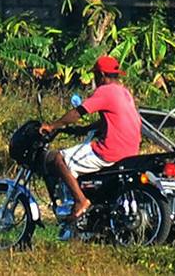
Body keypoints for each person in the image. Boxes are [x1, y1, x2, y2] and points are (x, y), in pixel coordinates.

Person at [49, 52, 143, 227]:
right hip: (131, 150)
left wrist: (53, 125)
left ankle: (80, 201)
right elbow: (109, 120)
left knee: (58, 158)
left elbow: (78, 112)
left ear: (101, 75)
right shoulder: (124, 93)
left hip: (110, 150)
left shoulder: (104, 91)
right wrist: (83, 130)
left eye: (95, 75)